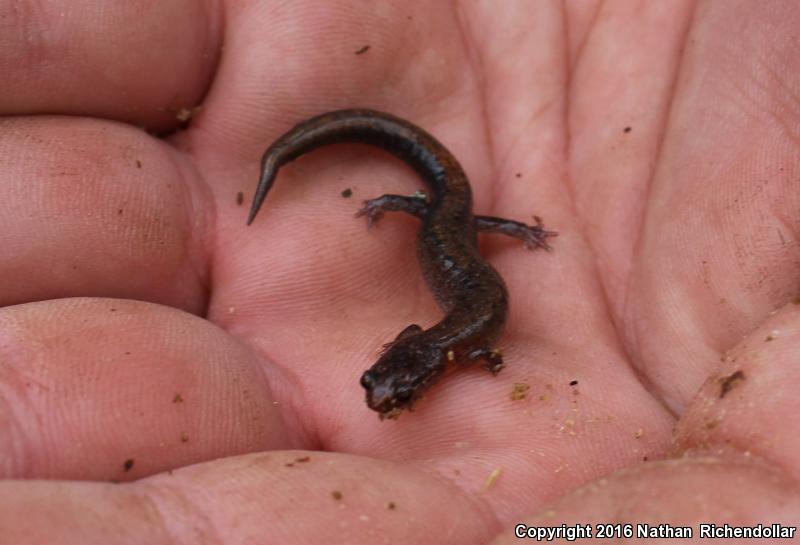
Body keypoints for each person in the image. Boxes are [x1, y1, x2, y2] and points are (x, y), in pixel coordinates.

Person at [2, 1, 798, 542]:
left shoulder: (460, 342)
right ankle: (374, 177)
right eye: (388, 391)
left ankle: (420, 196)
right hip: (452, 230)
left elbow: (472, 346)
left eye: (391, 391)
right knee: (448, 209)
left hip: (455, 232)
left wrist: (504, 236)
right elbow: (453, 341)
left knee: (451, 213)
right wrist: (409, 209)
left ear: (414, 361)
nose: (390, 401)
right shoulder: (451, 341)